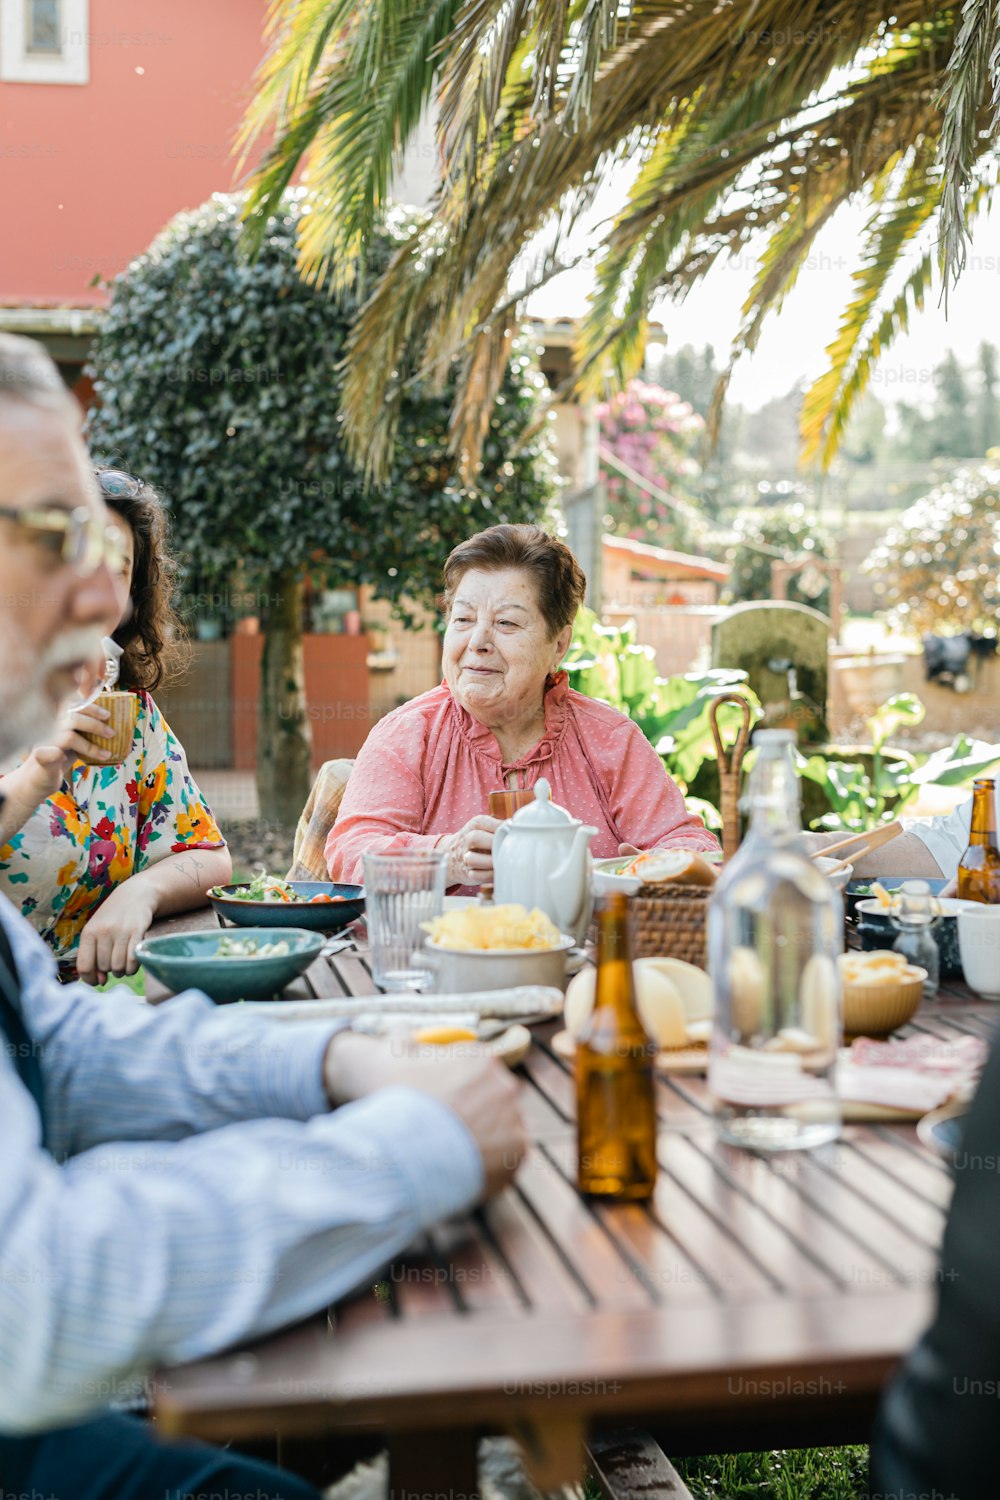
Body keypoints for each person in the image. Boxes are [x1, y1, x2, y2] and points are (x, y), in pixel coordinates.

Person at [0, 333, 525, 1498]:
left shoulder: (133, 728)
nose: (106, 597)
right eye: (53, 539)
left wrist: (340, 1064)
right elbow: (31, 1300)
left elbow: (63, 1044)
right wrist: (413, 1145)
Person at [326, 524, 719, 889]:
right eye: (462, 618)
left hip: (587, 961)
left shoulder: (610, 739)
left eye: (507, 624)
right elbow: (351, 855)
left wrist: (655, 866)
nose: (477, 641)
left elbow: (689, 842)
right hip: (439, 957)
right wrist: (450, 856)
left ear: (559, 645)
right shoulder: (410, 733)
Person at [0, 468, 231, 985]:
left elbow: (209, 857)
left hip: (76, 1018)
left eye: (119, 571)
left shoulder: (133, 717)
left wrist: (141, 891)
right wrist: (35, 778)